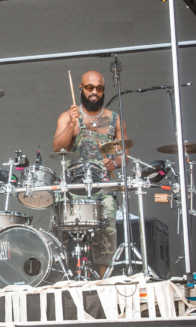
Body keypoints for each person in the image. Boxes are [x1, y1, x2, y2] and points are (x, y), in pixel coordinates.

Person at [53, 70, 128, 279]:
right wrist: (71, 124)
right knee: (58, 226)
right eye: (89, 87)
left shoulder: (114, 119)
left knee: (108, 226)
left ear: (103, 90)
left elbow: (126, 154)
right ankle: (59, 277)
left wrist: (114, 162)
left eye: (99, 88)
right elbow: (58, 147)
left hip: (103, 184)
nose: (94, 92)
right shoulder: (68, 116)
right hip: (74, 184)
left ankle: (103, 282)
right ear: (81, 89)